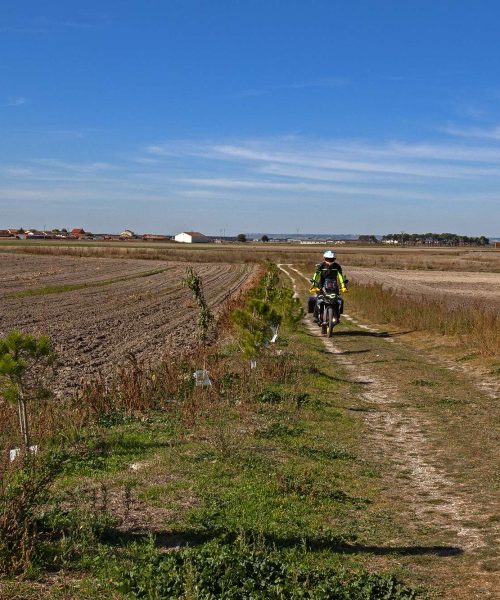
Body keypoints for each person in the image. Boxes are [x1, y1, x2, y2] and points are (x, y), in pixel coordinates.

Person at [310, 250, 348, 323]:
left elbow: (340, 277)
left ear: (334, 259)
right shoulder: (321, 266)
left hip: (334, 287)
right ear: (324, 258)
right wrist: (314, 286)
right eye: (328, 259)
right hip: (321, 286)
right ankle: (315, 316)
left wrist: (343, 287)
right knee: (318, 300)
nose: (330, 261)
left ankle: (337, 317)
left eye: (332, 259)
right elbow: (316, 275)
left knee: (338, 301)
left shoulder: (337, 266)